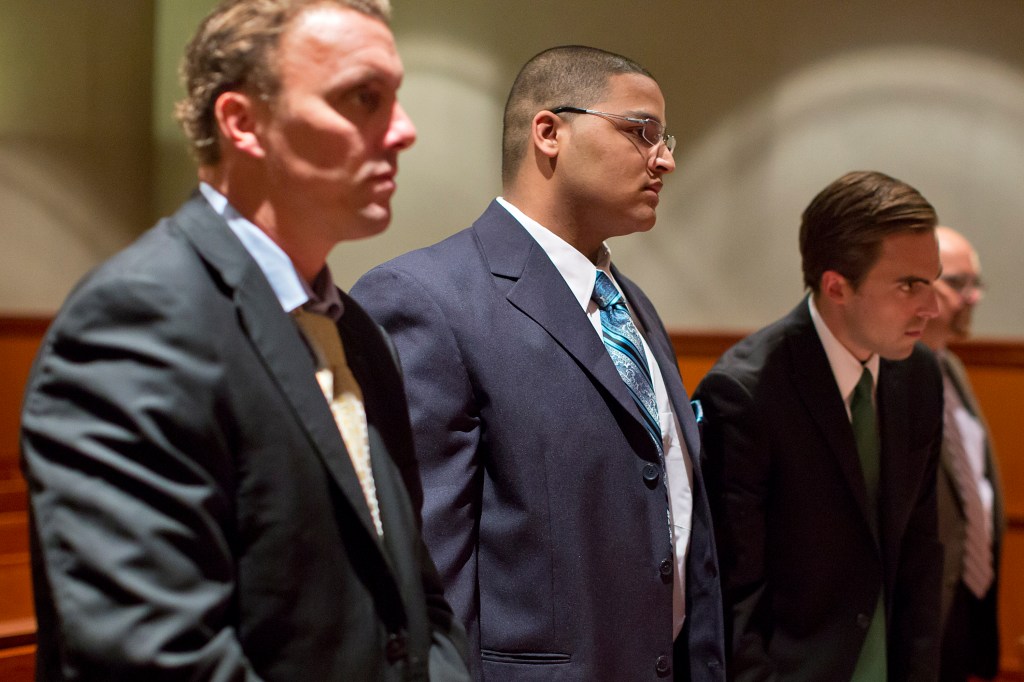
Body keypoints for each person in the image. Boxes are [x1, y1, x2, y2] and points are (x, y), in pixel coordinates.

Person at [20, 1, 469, 679]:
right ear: (242, 122)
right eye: (362, 98)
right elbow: (157, 659)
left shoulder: (359, 334)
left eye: (395, 98)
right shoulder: (137, 319)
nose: (403, 130)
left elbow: (419, 605)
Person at [351, 45, 725, 681]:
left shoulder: (632, 304)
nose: (663, 158)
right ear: (549, 132)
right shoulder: (424, 299)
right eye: (642, 131)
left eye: (665, 139)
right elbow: (428, 572)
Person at [693, 170, 945, 681]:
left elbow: (920, 556)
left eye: (932, 281)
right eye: (909, 285)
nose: (931, 306)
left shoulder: (919, 375)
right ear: (837, 286)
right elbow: (733, 594)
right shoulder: (744, 393)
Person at [921, 226, 1005, 681]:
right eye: (957, 283)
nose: (972, 297)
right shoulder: (888, 376)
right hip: (924, 617)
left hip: (967, 603)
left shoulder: (950, 365)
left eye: (976, 284)